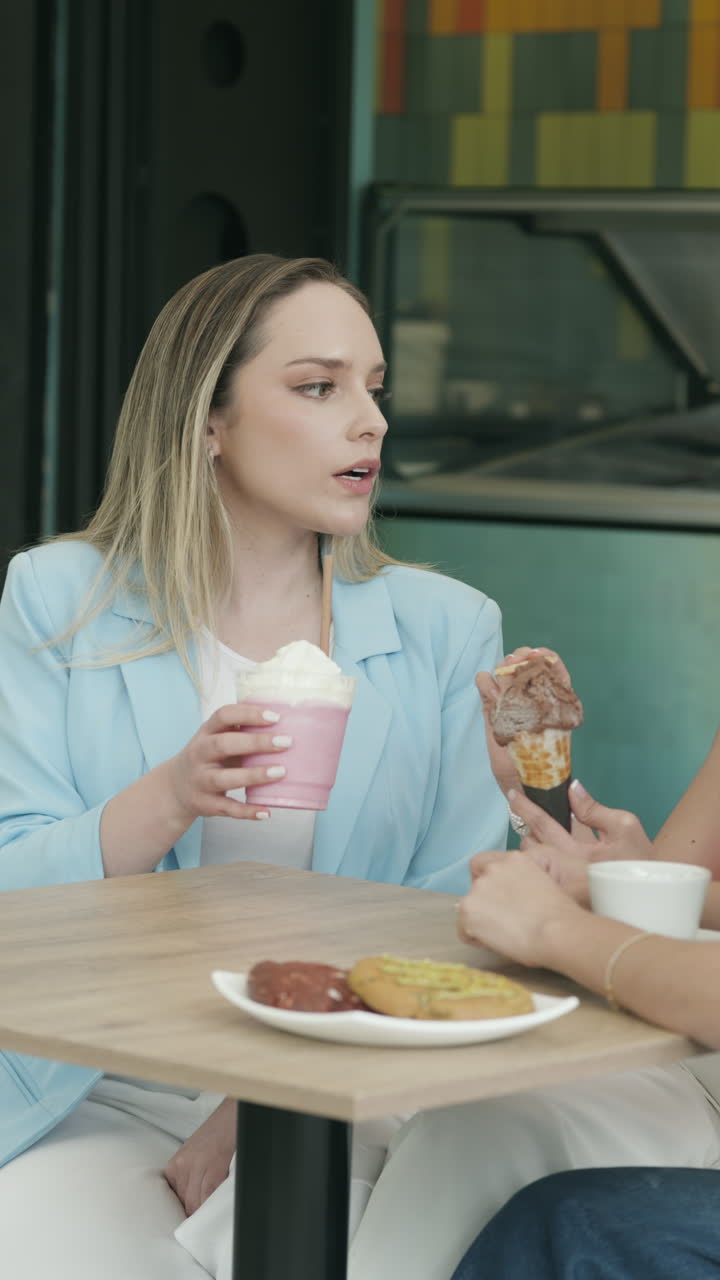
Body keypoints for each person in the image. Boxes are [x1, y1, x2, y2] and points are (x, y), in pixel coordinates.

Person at [0, 254, 507, 1279]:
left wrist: (258, 1104)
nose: (369, 420)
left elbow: (449, 918)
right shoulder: (59, 597)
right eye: (319, 386)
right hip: (101, 1077)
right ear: (206, 421)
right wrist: (166, 797)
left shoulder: (449, 627)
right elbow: (13, 890)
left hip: (355, 1084)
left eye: (375, 388)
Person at [347, 653, 720, 1280]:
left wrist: (561, 928)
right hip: (693, 1058)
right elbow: (676, 907)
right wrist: (591, 858)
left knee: (565, 1219)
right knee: (460, 1129)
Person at [450, 806, 720, 1280]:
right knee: (484, 1124)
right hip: (698, 1064)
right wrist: (627, 884)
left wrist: (556, 927)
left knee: (577, 1224)